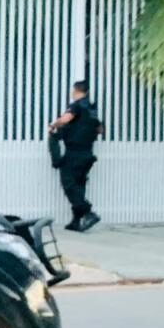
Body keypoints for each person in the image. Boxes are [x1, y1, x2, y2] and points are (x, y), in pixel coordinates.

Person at [49, 80, 102, 232]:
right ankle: (76, 221)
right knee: (79, 185)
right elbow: (100, 129)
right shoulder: (92, 109)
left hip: (74, 152)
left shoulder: (76, 106)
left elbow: (66, 119)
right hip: (88, 153)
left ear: (75, 91)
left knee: (69, 184)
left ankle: (88, 212)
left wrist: (53, 125)